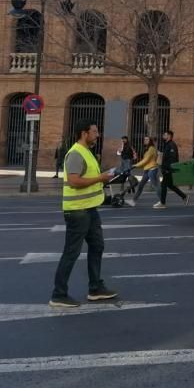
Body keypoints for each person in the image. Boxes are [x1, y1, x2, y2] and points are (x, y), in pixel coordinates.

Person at [50, 119, 118, 308]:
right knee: (71, 252)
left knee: (97, 246)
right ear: (84, 133)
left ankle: (95, 288)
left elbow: (89, 179)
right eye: (94, 131)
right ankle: (58, 294)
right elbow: (73, 181)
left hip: (90, 209)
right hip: (77, 211)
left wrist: (104, 179)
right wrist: (100, 177)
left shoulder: (87, 152)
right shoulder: (75, 153)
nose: (98, 134)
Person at [155, 129, 188, 209]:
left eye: (165, 135)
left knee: (163, 185)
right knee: (170, 185)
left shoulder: (172, 145)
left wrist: (167, 169)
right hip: (166, 169)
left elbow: (172, 159)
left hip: (168, 169)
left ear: (169, 136)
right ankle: (184, 196)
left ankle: (162, 203)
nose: (163, 136)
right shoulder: (167, 144)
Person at [127, 136, 159, 207]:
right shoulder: (147, 149)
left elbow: (146, 160)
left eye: (147, 139)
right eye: (144, 139)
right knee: (140, 186)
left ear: (150, 141)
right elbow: (145, 162)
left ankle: (162, 201)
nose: (145, 140)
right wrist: (137, 165)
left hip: (152, 169)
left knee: (155, 186)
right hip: (147, 170)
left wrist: (136, 165)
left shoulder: (151, 149)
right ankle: (133, 201)